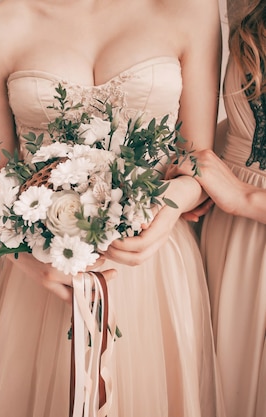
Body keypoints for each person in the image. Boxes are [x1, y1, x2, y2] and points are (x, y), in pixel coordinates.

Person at [0, 0, 224, 416]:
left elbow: (199, 162)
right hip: (46, 274)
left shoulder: (190, 8)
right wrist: (29, 264)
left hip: (153, 261)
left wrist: (169, 209)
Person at [169, 1, 266, 415]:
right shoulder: (246, 5)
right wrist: (204, 163)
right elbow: (248, 122)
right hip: (224, 230)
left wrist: (248, 198)